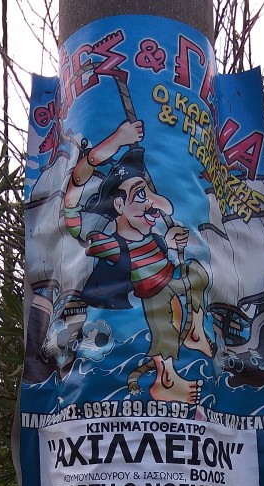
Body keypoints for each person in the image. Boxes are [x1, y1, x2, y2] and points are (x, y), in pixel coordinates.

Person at [63, 118, 212, 404]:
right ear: (118, 205)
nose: (151, 202)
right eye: (140, 195)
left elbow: (165, 214)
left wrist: (170, 241)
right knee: (160, 307)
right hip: (145, 298)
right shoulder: (108, 241)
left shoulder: (151, 235)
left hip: (168, 279)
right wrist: (115, 141)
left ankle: (195, 330)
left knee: (196, 272)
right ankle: (165, 379)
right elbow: (70, 206)